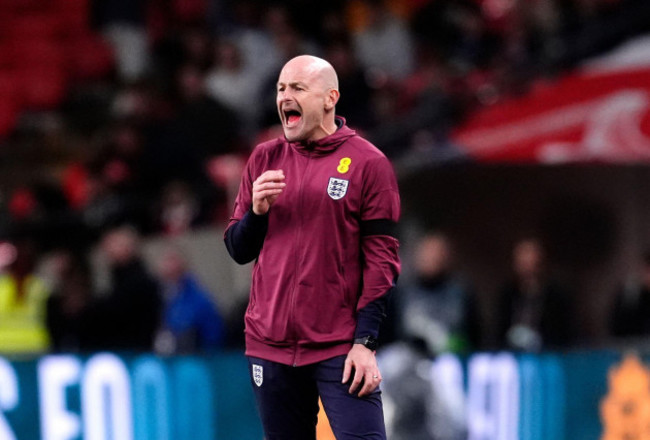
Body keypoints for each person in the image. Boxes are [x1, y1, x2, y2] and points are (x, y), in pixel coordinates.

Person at [224, 55, 401, 440]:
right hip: (269, 346)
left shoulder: (369, 164)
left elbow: (382, 261)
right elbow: (238, 249)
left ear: (329, 98)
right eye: (281, 89)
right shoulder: (263, 158)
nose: (285, 96)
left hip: (339, 346)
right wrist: (256, 213)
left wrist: (365, 343)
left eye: (298, 88)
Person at [496, 237, 573, 351]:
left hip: (548, 356)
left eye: (530, 260)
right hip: (512, 357)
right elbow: (497, 331)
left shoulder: (555, 296)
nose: (527, 266)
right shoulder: (507, 295)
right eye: (522, 261)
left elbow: (565, 333)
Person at [153, 244, 225, 354]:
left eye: (173, 260)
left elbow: (212, 333)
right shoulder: (157, 293)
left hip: (193, 357)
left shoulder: (198, 298)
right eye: (166, 260)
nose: (169, 266)